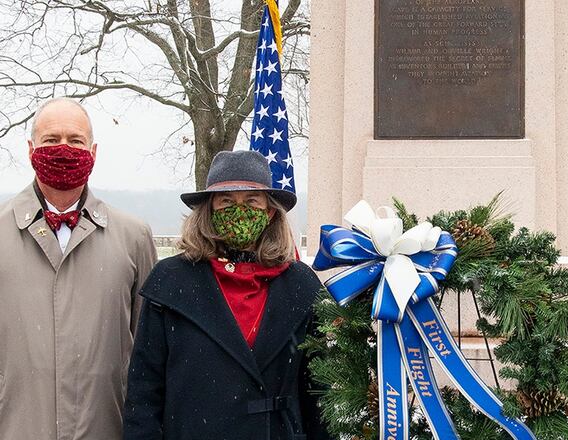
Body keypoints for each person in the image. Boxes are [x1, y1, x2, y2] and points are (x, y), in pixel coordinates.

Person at [123, 150, 328, 439]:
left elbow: (319, 394)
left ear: (270, 212)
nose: (239, 210)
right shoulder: (170, 280)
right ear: (209, 209)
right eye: (227, 201)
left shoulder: (301, 285)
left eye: (252, 201)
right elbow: (144, 393)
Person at [0, 97, 157, 439]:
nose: (63, 149)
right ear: (31, 149)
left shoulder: (133, 236)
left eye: (75, 140)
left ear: (94, 151)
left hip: (106, 429)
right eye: (51, 140)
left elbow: (149, 350)